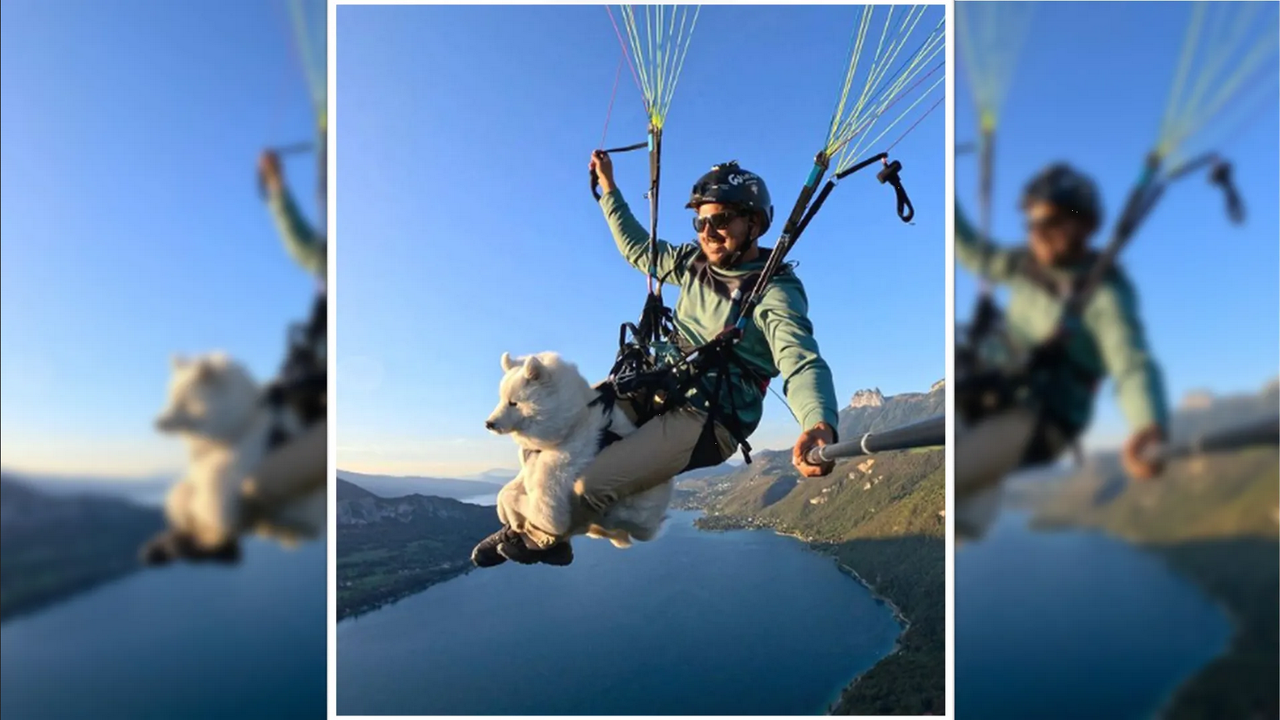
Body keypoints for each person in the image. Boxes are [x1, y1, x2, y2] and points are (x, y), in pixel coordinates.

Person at [473, 154, 842, 567]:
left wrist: (818, 422)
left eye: (720, 220)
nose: (708, 232)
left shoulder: (774, 291)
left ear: (753, 223)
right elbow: (637, 248)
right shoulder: (692, 263)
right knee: (555, 430)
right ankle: (520, 520)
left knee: (588, 485)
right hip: (658, 381)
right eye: (700, 222)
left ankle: (543, 536)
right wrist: (609, 189)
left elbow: (800, 359)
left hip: (709, 416)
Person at [954, 162, 1169, 503]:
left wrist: (1147, 425)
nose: (1037, 232)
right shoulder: (1024, 266)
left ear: (1084, 225)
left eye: (1050, 221)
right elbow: (971, 252)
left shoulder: (1103, 295)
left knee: (958, 469)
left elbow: (1131, 363)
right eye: (1032, 222)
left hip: (1041, 417)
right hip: (991, 384)